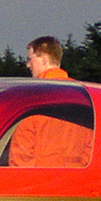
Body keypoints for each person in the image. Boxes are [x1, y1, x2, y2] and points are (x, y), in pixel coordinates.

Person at [11, 35, 92, 167]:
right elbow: (91, 146)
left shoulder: (33, 97)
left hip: (39, 180)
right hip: (74, 180)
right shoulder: (83, 95)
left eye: (30, 59)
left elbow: (20, 156)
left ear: (43, 60)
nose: (27, 65)